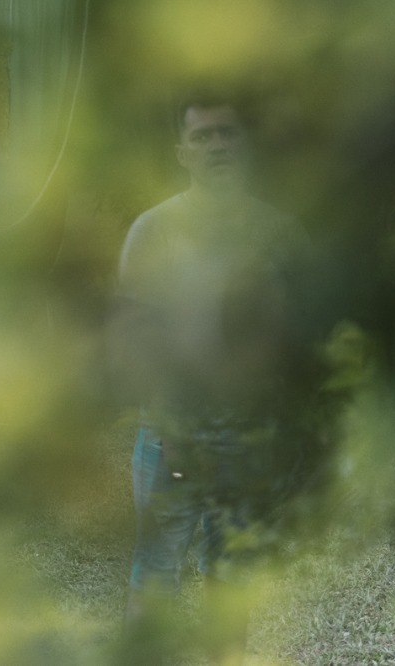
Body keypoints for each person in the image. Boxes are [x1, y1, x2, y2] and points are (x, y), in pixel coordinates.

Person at [112, 95, 313, 626]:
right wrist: (175, 431)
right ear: (182, 152)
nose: (217, 145)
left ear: (246, 144)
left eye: (227, 132)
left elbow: (298, 342)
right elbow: (135, 340)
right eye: (202, 136)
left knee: (231, 588)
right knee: (154, 581)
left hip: (251, 442)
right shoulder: (153, 230)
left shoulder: (280, 234)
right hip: (170, 441)